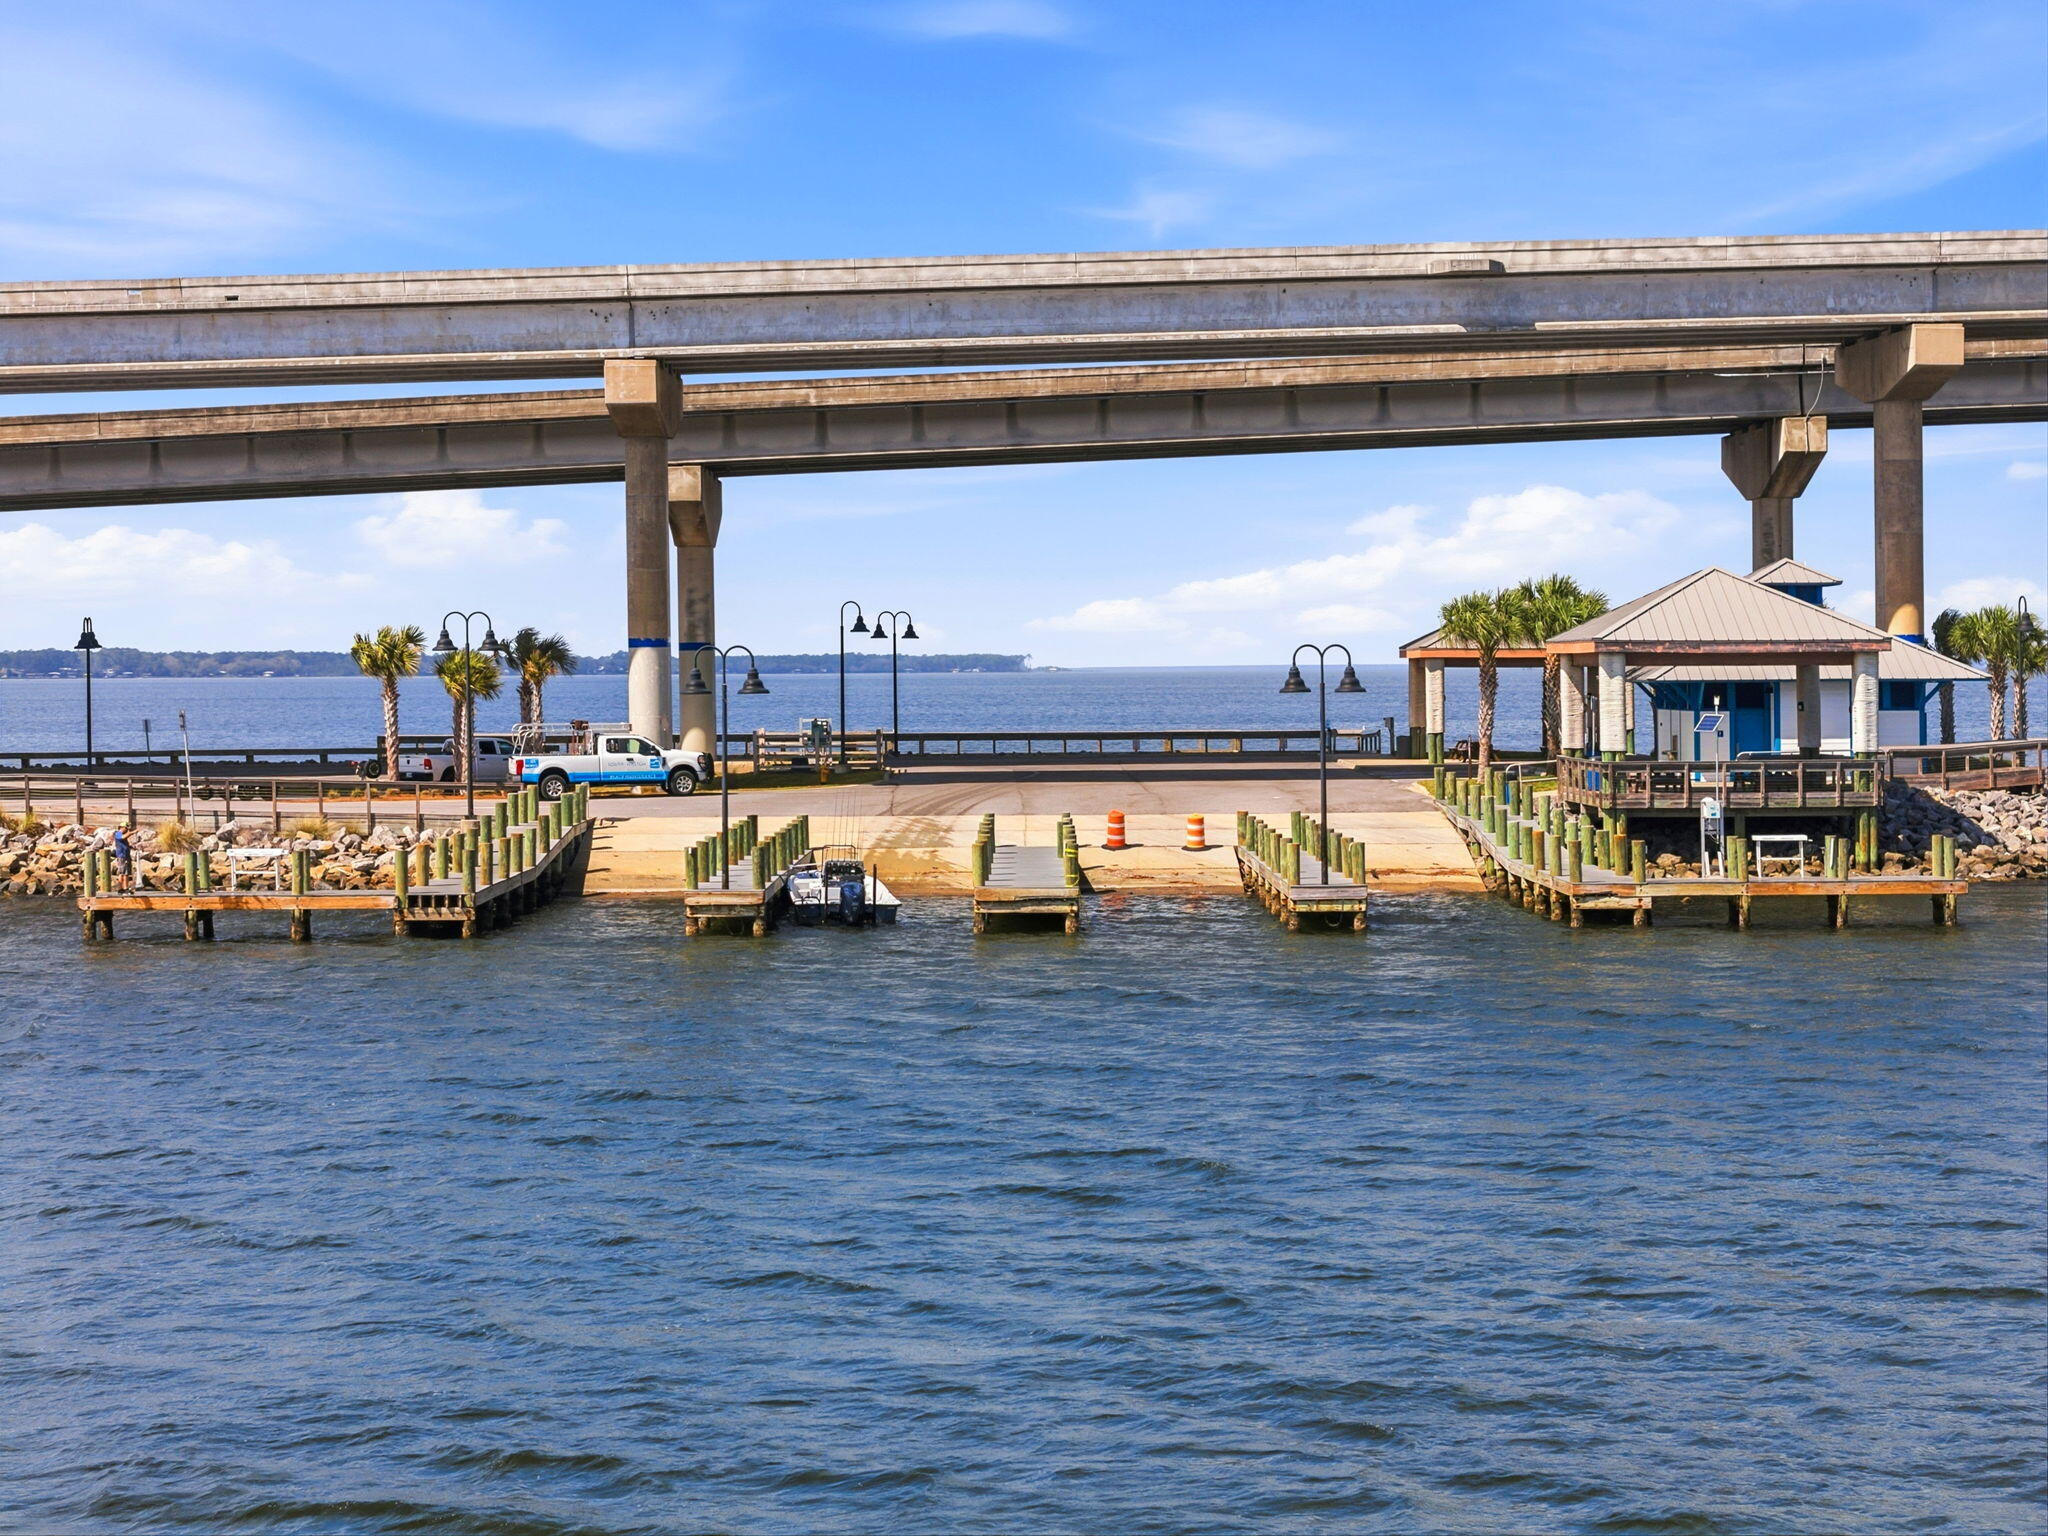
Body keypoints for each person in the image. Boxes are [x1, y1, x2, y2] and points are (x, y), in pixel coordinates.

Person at [112, 826, 132, 891]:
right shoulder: (118, 833)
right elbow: (123, 837)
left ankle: (121, 888)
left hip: (125, 856)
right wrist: (132, 832)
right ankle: (125, 888)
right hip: (122, 856)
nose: (127, 830)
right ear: (121, 828)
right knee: (125, 872)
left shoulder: (122, 834)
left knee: (123, 872)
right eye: (126, 828)